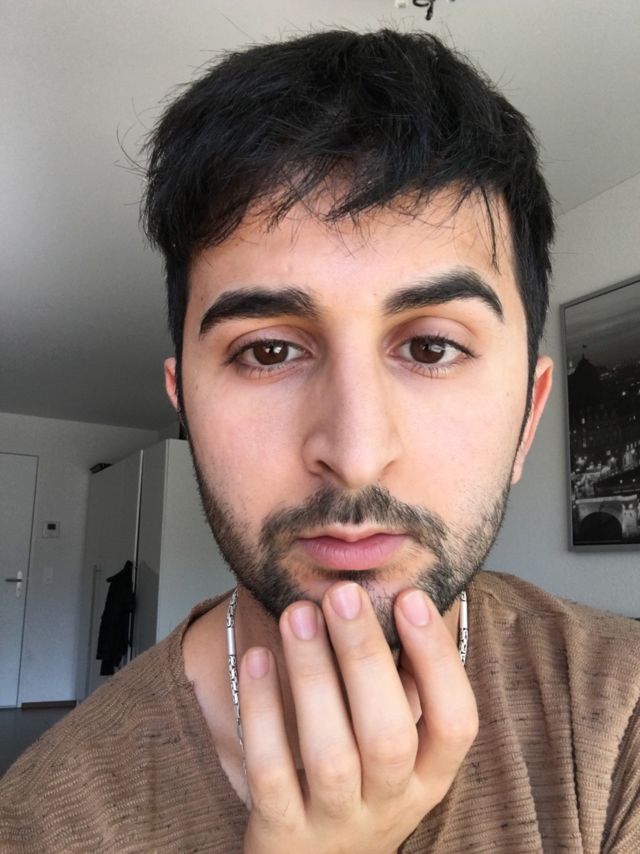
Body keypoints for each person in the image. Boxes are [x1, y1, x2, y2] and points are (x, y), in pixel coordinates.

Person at [1, 28, 639, 854]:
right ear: (185, 407)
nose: (355, 453)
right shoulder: (37, 822)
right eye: (268, 352)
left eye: (431, 347)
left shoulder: (622, 723)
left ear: (529, 414)